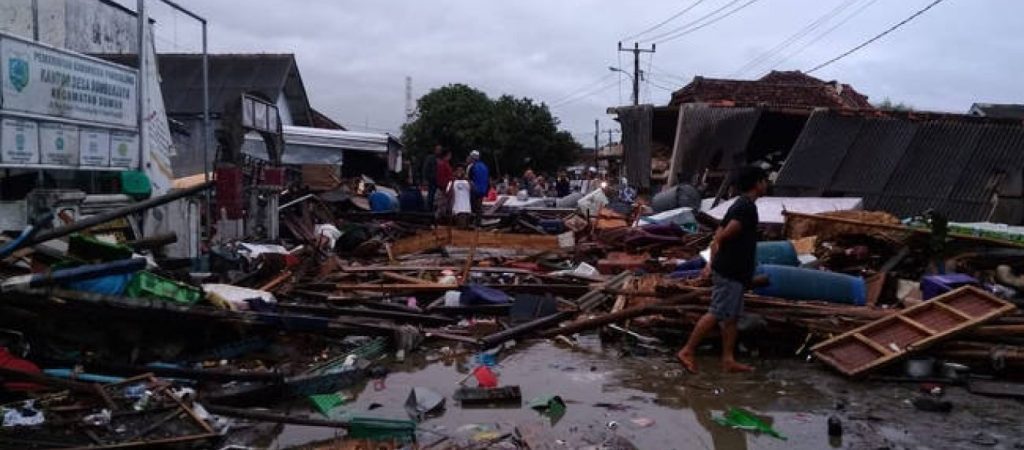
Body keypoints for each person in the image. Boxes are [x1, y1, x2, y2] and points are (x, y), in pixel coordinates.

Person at [677, 166, 769, 374]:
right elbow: (723, 234)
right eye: (764, 180)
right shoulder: (746, 208)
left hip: (733, 272)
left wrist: (711, 262)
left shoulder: (739, 204)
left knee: (732, 317)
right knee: (717, 312)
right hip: (729, 271)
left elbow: (718, 232)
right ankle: (687, 350)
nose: (767, 184)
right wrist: (715, 259)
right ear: (757, 183)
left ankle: (728, 359)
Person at [467, 150, 489, 219]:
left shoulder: (472, 167)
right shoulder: (485, 166)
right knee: (479, 206)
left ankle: (473, 221)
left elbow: (469, 179)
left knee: (473, 206)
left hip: (474, 190)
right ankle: (479, 221)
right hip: (483, 190)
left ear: (472, 158)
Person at [421, 145, 442, 211]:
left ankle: (435, 208)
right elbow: (425, 169)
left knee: (438, 196)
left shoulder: (441, 159)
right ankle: (428, 209)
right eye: (438, 149)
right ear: (435, 150)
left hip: (439, 180)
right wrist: (425, 179)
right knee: (431, 195)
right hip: (431, 180)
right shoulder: (430, 158)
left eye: (440, 150)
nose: (439, 151)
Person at [435, 150, 453, 217]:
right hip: (444, 187)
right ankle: (439, 219)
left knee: (444, 204)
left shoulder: (445, 164)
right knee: (442, 204)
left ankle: (443, 218)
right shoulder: (443, 164)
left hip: (446, 187)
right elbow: (443, 177)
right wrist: (446, 188)